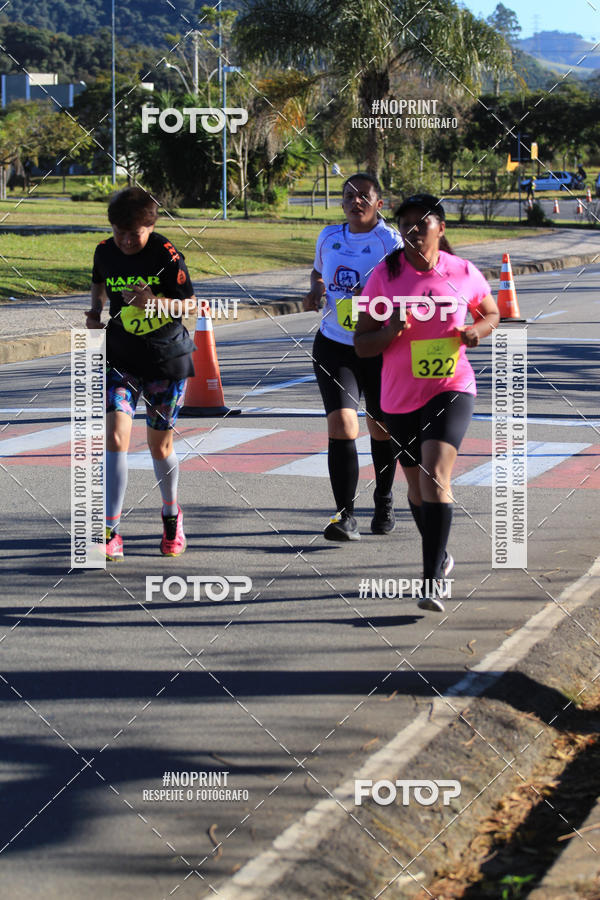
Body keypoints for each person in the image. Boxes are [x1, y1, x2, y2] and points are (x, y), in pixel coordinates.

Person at [354, 194, 499, 611]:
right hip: (399, 395)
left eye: (422, 223)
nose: (414, 231)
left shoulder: (463, 272)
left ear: (441, 228)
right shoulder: (384, 276)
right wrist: (392, 330)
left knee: (436, 475)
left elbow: (491, 313)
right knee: (416, 488)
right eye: (407, 224)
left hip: (451, 387)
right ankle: (441, 555)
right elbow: (363, 346)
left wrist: (477, 330)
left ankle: (431, 581)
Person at [86, 186, 196, 560]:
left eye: (134, 233)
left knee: (158, 446)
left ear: (151, 226)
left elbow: (191, 304)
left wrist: (153, 303)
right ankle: (110, 530)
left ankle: (170, 515)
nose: (127, 240)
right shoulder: (105, 250)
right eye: (120, 231)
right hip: (122, 358)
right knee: (116, 437)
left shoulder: (165, 254)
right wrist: (94, 313)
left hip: (165, 359)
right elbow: (98, 280)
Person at [303, 172, 403, 541]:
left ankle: (384, 498)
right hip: (334, 344)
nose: (355, 201)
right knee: (344, 425)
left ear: (379, 204)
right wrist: (314, 290)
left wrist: (376, 293)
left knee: (381, 426)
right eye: (349, 195)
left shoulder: (390, 241)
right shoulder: (329, 236)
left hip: (378, 347)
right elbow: (317, 273)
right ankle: (344, 515)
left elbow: (406, 285)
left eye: (364, 196)